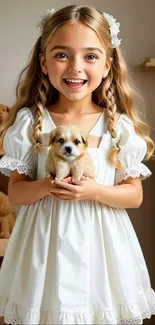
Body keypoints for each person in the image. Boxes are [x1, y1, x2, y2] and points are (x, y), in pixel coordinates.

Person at [0, 4, 154, 325]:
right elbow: (15, 194)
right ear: (43, 62)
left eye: (90, 56)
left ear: (108, 66)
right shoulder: (31, 122)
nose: (75, 67)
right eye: (61, 55)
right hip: (43, 246)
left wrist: (93, 190)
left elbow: (134, 196)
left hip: (102, 247)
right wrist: (46, 185)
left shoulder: (117, 126)